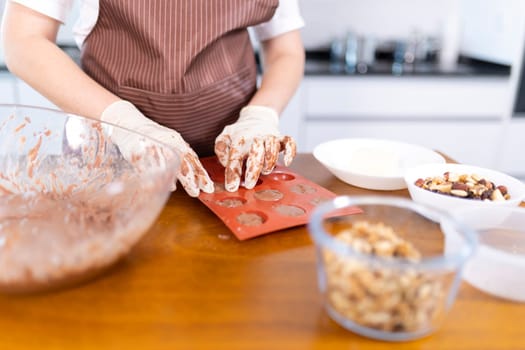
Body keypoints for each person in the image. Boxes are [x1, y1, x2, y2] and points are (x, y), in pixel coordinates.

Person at [1, 0, 305, 197]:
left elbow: (286, 51)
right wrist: (124, 123)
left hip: (230, 164)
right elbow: (24, 40)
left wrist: (260, 116)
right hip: (111, 158)